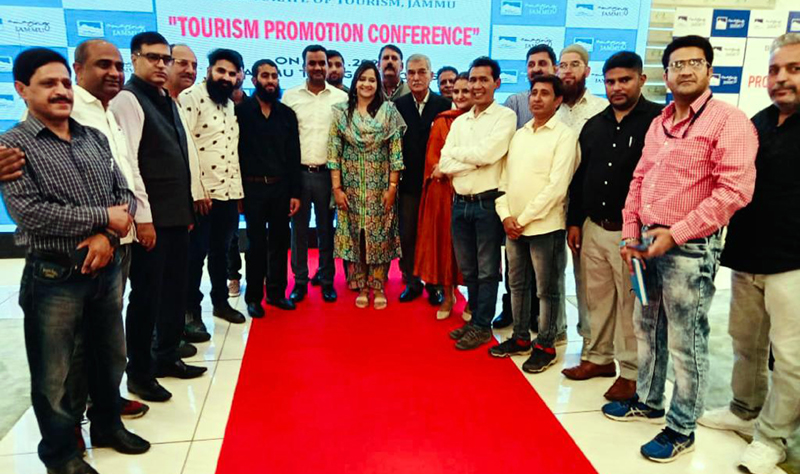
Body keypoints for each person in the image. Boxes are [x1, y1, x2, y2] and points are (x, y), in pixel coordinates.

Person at [602, 35, 758, 463]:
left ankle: (682, 427)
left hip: (690, 248)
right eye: (677, 64)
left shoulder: (729, 121)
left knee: (686, 340)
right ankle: (648, 400)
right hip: (646, 241)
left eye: (694, 63)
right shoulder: (660, 123)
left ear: (710, 70)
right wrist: (630, 233)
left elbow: (735, 191)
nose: (685, 70)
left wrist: (678, 232)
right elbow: (639, 180)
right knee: (647, 327)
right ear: (666, 74)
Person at [0, 47, 149, 474]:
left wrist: (106, 235)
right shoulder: (13, 146)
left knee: (110, 357)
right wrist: (104, 218)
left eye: (65, 83)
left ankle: (107, 426)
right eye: (48, 83)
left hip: (106, 268)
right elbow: (31, 213)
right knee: (56, 375)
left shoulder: (92, 137)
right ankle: (62, 454)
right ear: (22, 89)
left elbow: (123, 194)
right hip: (54, 275)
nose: (61, 91)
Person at [697, 33, 800, 474]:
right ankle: (744, 409)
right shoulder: (758, 122)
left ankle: (774, 437)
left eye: (794, 69)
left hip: (793, 263)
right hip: (747, 256)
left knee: (791, 358)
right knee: (746, 342)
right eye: (775, 70)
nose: (781, 78)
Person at [110, 32, 208, 403]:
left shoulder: (166, 98)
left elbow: (177, 158)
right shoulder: (128, 99)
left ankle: (167, 355)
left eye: (165, 58)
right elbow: (130, 164)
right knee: (147, 297)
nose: (161, 64)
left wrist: (186, 209)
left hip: (176, 215)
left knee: (174, 290)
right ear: (134, 58)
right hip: (151, 220)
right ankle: (140, 372)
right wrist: (144, 219)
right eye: (153, 57)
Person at [562, 51, 663, 401]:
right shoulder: (595, 124)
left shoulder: (658, 122)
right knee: (596, 298)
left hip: (634, 232)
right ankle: (598, 358)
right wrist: (575, 222)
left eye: (625, 80)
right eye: (610, 81)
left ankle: (632, 372)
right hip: (593, 226)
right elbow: (580, 178)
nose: (617, 87)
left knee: (632, 304)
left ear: (641, 80)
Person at [490, 74, 578, 373]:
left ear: (558, 100)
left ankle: (546, 345)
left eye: (545, 93)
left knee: (547, 290)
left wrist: (523, 219)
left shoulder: (564, 136)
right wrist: (505, 215)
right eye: (534, 92)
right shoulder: (520, 134)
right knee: (517, 285)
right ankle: (519, 338)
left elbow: (557, 187)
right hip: (513, 226)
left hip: (545, 227)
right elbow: (504, 180)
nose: (537, 98)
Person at [439, 56, 516, 350]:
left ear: (497, 83)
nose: (477, 85)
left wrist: (464, 157)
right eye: (473, 80)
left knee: (487, 270)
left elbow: (489, 154)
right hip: (459, 203)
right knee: (468, 269)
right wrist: (474, 160)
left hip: (487, 204)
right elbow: (445, 163)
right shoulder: (460, 121)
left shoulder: (505, 117)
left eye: (484, 79)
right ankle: (474, 321)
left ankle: (483, 326)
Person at [329, 61, 406, 309]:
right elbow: (333, 153)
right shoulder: (341, 112)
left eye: (372, 80)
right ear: (355, 83)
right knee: (356, 236)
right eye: (362, 79)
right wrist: (337, 189)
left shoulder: (389, 111)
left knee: (379, 235)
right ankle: (361, 284)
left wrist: (392, 187)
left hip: (380, 187)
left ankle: (378, 284)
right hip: (350, 187)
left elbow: (396, 153)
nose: (367, 84)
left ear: (378, 83)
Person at [180, 49, 247, 325]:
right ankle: (191, 313)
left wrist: (238, 192)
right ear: (209, 71)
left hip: (227, 194)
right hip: (202, 196)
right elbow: (185, 148)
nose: (226, 78)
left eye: (231, 73)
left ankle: (220, 303)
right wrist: (196, 192)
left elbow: (232, 151)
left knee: (221, 252)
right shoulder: (191, 97)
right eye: (221, 71)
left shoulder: (229, 104)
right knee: (195, 257)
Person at [495, 43, 558, 331]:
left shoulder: (561, 112)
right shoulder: (515, 102)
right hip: (516, 201)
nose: (536, 69)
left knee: (544, 273)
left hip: (547, 207)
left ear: (553, 67)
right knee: (515, 269)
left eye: (541, 63)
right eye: (531, 64)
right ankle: (512, 312)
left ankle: (538, 320)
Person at [237, 59, 302, 317]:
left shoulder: (287, 114)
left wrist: (295, 193)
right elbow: (235, 155)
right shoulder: (241, 113)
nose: (271, 81)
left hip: (281, 189)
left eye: (274, 76)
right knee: (255, 246)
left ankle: (276, 293)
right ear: (254, 80)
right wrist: (238, 193)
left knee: (279, 242)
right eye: (265, 76)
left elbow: (293, 156)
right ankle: (254, 297)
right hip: (252, 189)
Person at [555, 43, 608, 358]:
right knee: (550, 275)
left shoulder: (601, 109)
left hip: (585, 207)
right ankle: (555, 330)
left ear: (587, 71)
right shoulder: (551, 108)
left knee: (586, 279)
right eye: (563, 65)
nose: (568, 71)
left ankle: (592, 342)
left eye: (574, 65)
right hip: (551, 205)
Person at [284, 45, 347, 304]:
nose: (318, 67)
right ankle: (299, 281)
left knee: (326, 230)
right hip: (298, 174)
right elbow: (285, 139)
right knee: (298, 232)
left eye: (322, 63)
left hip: (327, 174)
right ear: (304, 66)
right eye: (312, 63)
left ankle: (327, 279)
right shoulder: (290, 97)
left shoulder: (340, 98)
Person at [394, 54, 451, 305]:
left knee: (434, 236)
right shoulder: (398, 105)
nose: (416, 77)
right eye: (411, 73)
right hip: (408, 184)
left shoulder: (444, 104)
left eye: (421, 72)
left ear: (431, 75)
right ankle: (412, 282)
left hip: (437, 184)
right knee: (408, 235)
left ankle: (435, 284)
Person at [414, 73, 472, 319]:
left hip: (472, 190)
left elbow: (479, 158)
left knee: (470, 249)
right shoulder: (443, 120)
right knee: (444, 246)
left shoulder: (482, 123)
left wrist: (453, 168)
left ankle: (472, 301)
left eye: (465, 91)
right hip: (441, 193)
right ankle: (448, 296)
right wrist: (447, 170)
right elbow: (434, 161)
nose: (459, 96)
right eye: (456, 91)